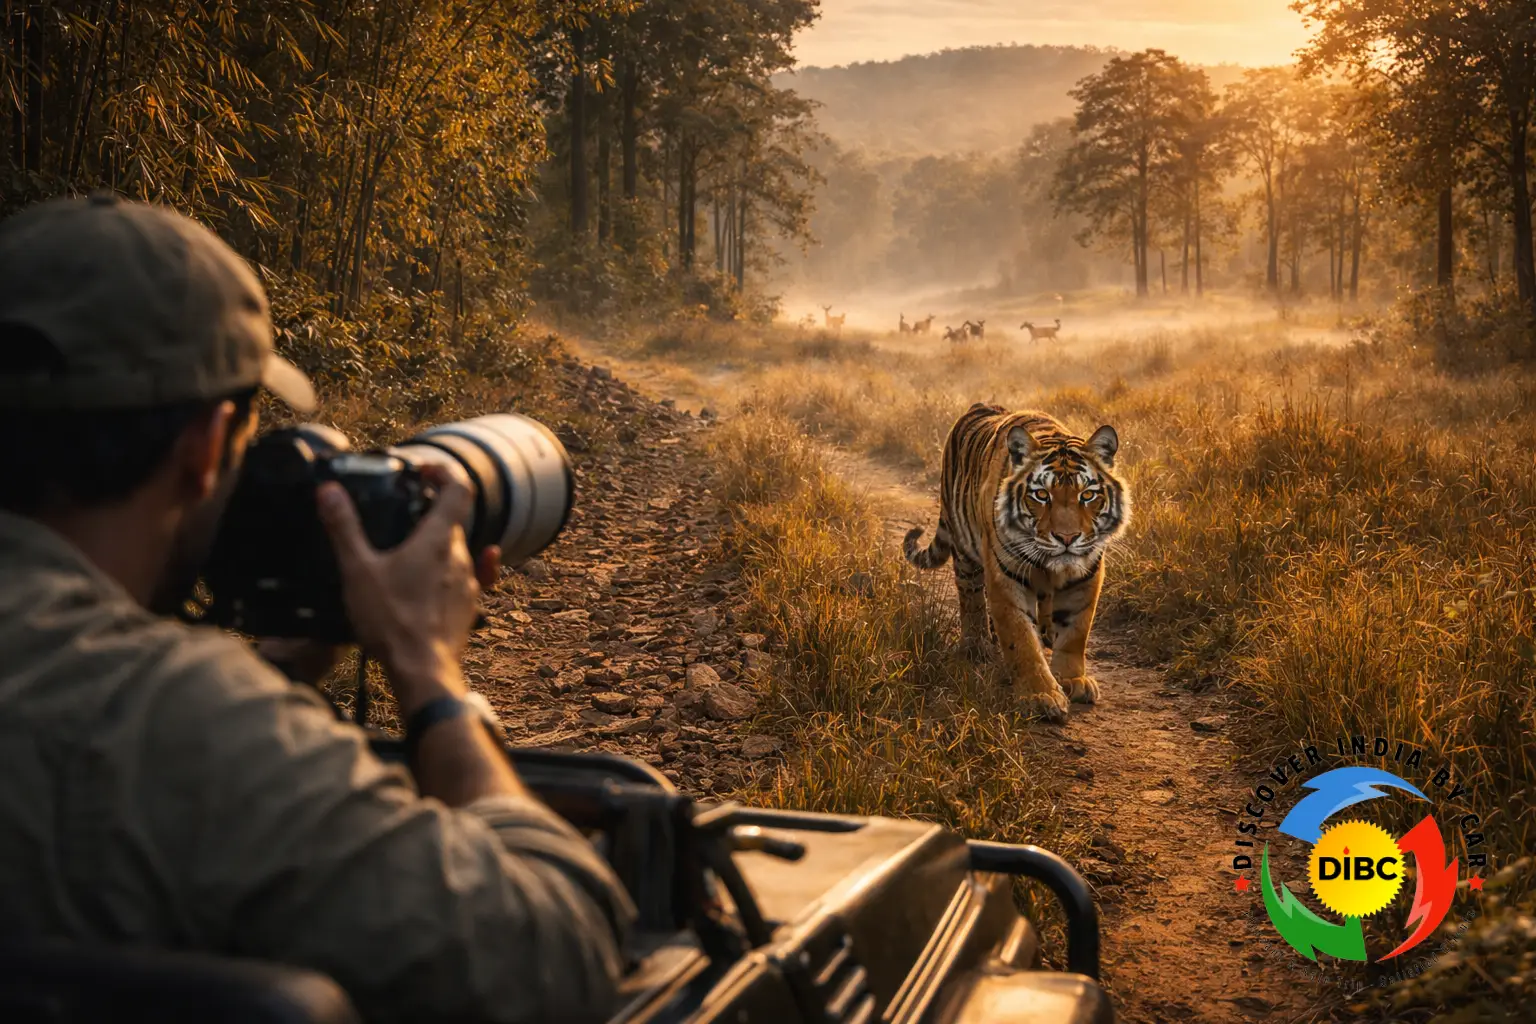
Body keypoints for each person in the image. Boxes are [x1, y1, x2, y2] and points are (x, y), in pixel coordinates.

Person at [0, 194, 634, 1022]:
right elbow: (551, 961)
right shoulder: (170, 723)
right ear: (202, 450)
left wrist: (282, 675)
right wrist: (428, 670)